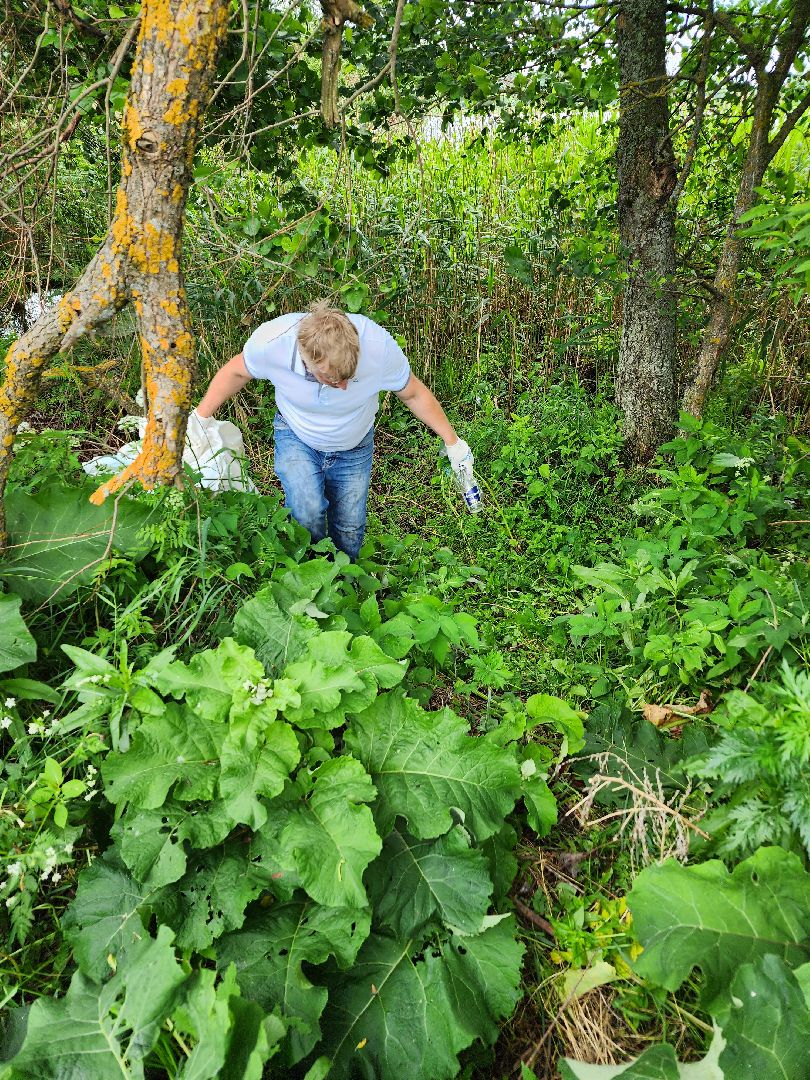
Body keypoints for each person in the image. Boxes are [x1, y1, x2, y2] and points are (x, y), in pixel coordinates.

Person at [195, 301, 474, 559]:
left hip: (354, 444)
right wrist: (200, 419)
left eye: (348, 377)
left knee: (350, 528)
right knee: (307, 511)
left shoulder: (378, 346)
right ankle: (310, 573)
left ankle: (344, 580)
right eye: (332, 379)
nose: (343, 387)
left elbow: (413, 393)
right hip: (297, 434)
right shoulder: (272, 342)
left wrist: (453, 442)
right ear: (308, 360)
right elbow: (236, 372)